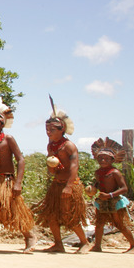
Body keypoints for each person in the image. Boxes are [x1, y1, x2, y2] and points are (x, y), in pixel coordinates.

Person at [34, 101, 91, 254]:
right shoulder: (51, 146)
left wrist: (69, 186)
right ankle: (58, 243)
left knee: (69, 216)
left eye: (52, 129)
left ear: (62, 129)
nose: (48, 132)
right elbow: (51, 170)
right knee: (52, 216)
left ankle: (85, 242)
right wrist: (51, 165)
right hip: (56, 184)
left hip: (70, 185)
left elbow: (74, 167)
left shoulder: (69, 146)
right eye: (47, 129)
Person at [0, 98, 37, 254]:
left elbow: (20, 160)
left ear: (2, 124)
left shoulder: (8, 139)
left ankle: (29, 236)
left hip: (6, 180)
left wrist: (18, 183)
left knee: (12, 210)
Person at [89, 138, 134, 253]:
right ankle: (97, 246)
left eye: (106, 158)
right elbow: (97, 184)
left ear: (112, 160)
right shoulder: (98, 172)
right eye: (100, 158)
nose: (103, 160)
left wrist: (110, 195)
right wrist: (92, 189)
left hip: (114, 200)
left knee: (119, 223)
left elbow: (124, 188)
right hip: (103, 200)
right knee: (99, 223)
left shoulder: (115, 172)